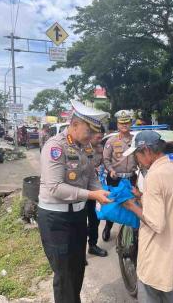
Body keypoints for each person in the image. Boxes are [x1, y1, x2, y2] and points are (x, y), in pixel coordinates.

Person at [38, 100, 111, 303]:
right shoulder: (56, 147)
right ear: (75, 124)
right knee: (64, 273)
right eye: (89, 131)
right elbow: (55, 187)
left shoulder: (84, 148)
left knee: (78, 266)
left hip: (77, 216)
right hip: (56, 219)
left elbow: (91, 176)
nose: (92, 137)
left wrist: (101, 191)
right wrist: (91, 195)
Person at [122, 130, 173, 303]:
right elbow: (167, 202)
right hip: (170, 247)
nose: (137, 159)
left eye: (137, 154)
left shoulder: (154, 176)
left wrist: (131, 206)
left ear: (147, 151)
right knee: (166, 290)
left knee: (150, 290)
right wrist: (142, 196)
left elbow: (156, 223)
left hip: (155, 251)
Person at [102, 110, 137, 241]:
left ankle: (130, 231)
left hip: (130, 177)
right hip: (115, 178)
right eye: (121, 123)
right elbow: (105, 159)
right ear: (117, 124)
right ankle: (108, 227)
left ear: (130, 123)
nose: (124, 125)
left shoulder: (135, 140)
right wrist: (110, 169)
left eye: (126, 122)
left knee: (131, 203)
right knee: (113, 204)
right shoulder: (111, 140)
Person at [86, 125, 107, 257]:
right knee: (80, 221)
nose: (99, 140)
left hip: (95, 188)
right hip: (80, 189)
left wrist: (104, 168)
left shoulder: (100, 148)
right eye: (98, 137)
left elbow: (105, 162)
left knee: (95, 219)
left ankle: (92, 245)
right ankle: (79, 253)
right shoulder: (81, 146)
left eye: (101, 137)